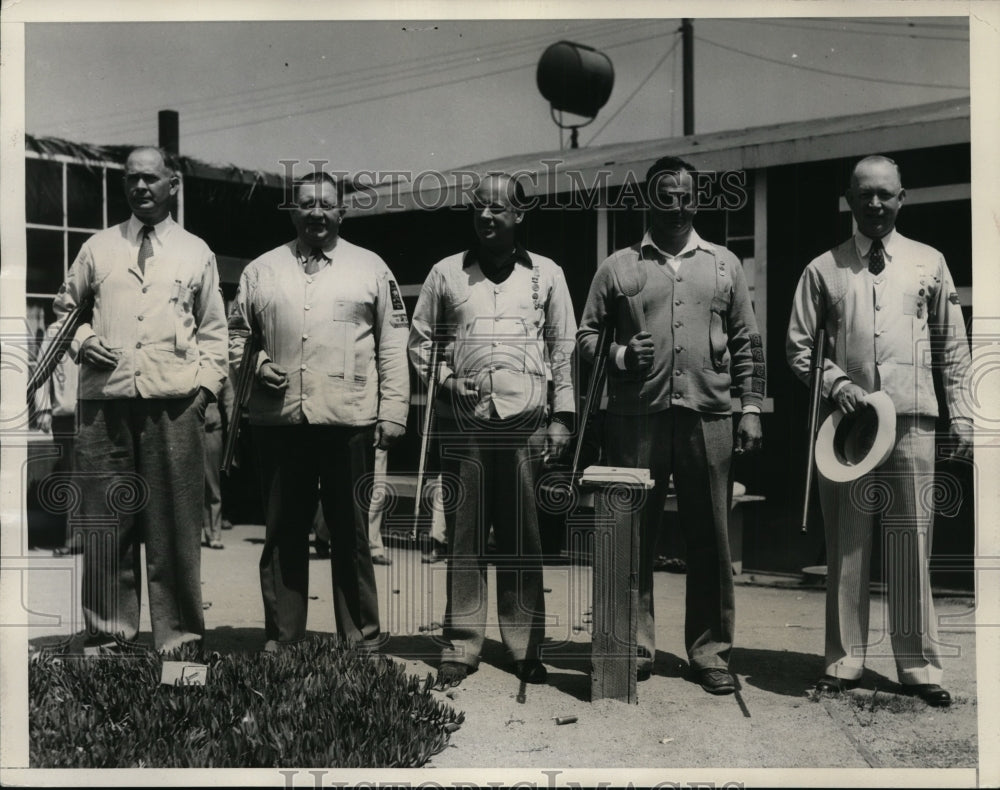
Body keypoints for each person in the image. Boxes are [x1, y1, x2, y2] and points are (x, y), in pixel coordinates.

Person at [786, 155, 973, 707]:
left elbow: (953, 346)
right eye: (864, 194)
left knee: (911, 539)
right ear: (848, 198)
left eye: (885, 195)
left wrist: (961, 411)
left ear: (901, 198)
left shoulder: (929, 263)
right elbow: (800, 347)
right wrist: (835, 382)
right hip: (849, 426)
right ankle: (845, 661)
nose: (874, 204)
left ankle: (919, 666)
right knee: (848, 542)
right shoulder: (824, 268)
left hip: (913, 418)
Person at [577, 156, 764, 694]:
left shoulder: (724, 263)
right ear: (648, 199)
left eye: (685, 194)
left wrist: (749, 408)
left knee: (711, 537)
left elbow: (749, 344)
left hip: (709, 416)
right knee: (633, 534)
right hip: (636, 418)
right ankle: (635, 647)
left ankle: (710, 652)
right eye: (665, 194)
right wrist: (616, 354)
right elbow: (585, 337)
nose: (676, 203)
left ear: (696, 200)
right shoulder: (618, 266)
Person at [49, 146, 228, 654]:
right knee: (108, 526)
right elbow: (65, 309)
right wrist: (83, 340)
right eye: (131, 180)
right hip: (105, 404)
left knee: (174, 530)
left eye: (150, 178)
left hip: (173, 405)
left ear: (173, 184)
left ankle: (180, 643)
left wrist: (204, 392)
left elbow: (216, 334)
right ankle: (109, 638)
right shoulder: (98, 248)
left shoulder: (197, 251)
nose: (140, 187)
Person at [228, 169, 410, 652]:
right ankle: (284, 639)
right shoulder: (261, 270)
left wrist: (393, 410)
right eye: (306, 203)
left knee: (350, 534)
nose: (316, 212)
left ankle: (361, 640)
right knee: (284, 531)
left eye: (326, 204)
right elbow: (235, 336)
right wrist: (258, 364)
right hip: (281, 420)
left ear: (342, 211)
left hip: (348, 419)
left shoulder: (370, 268)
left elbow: (393, 344)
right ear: (292, 210)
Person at [408, 173, 577, 688]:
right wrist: (445, 378)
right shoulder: (446, 274)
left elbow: (563, 350)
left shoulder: (547, 275)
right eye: (478, 207)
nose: (486, 216)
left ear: (518, 216)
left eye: (497, 209)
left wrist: (562, 418)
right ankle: (462, 643)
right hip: (465, 423)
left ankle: (525, 645)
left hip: (527, 423)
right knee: (465, 535)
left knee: (523, 536)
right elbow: (420, 344)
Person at [33, 321, 82, 556]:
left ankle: (97, 538)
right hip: (66, 416)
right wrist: (43, 409)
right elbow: (42, 371)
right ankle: (72, 538)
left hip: (96, 412)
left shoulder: (97, 323)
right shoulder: (55, 332)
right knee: (70, 476)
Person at [202, 375, 234, 549]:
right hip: (186, 425)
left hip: (211, 428)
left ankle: (214, 533)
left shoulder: (217, 362)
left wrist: (232, 422)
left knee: (212, 483)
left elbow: (229, 397)